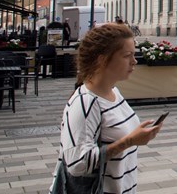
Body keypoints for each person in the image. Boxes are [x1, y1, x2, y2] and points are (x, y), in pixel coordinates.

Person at [54, 23, 162, 193]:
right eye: (127, 56)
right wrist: (130, 141)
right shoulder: (85, 103)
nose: (134, 61)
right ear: (102, 60)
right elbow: (76, 164)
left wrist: (139, 135)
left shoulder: (113, 92)